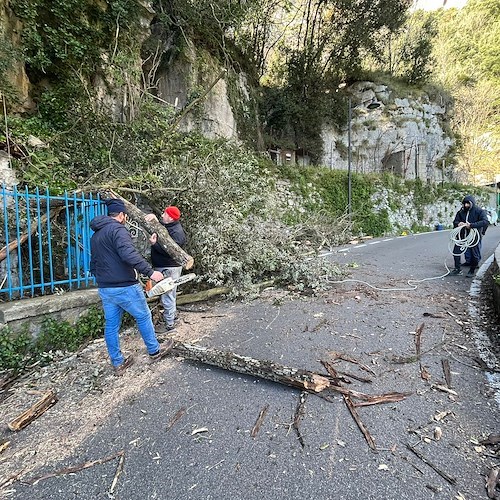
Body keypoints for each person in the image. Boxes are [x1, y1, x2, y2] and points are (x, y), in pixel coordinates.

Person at [90, 198, 174, 375]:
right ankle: (154, 351)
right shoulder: (118, 230)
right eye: (125, 215)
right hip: (124, 285)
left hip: (105, 287)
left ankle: (117, 362)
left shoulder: (96, 234)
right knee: (143, 316)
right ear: (121, 215)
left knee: (111, 325)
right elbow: (129, 254)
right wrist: (150, 272)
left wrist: (101, 279)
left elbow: (94, 262)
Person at [144, 206, 187, 333]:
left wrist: (154, 244)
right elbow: (161, 227)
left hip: (169, 267)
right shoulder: (170, 227)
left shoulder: (177, 234)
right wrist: (154, 219)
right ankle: (171, 317)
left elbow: (169, 251)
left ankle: (169, 325)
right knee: (168, 294)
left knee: (168, 295)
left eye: (164, 214)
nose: (162, 215)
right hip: (165, 266)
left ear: (171, 217)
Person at [450, 195, 489, 277]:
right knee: (456, 252)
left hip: (474, 236)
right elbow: (455, 222)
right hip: (462, 236)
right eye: (464, 204)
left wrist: (471, 225)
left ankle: (472, 270)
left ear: (472, 203)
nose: (466, 205)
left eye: (468, 203)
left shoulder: (479, 211)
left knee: (475, 254)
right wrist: (458, 223)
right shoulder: (461, 212)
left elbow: (485, 222)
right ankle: (457, 269)